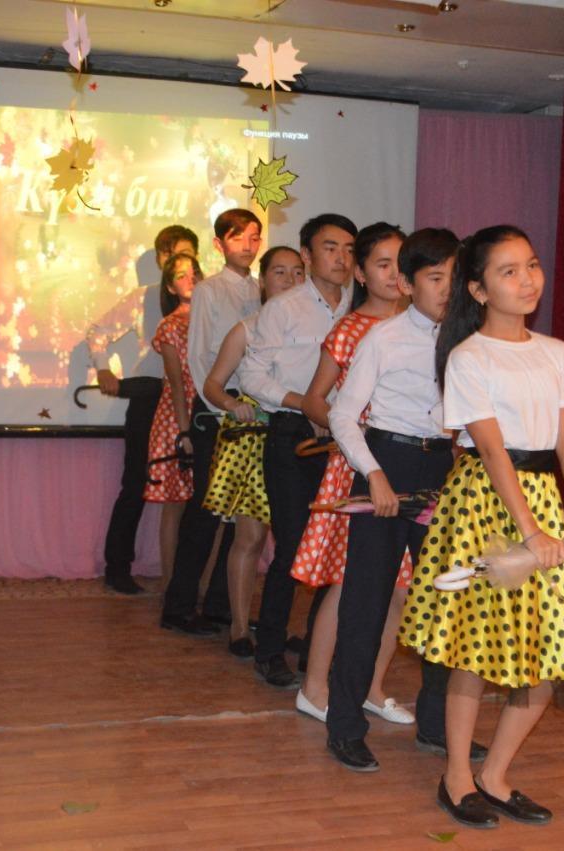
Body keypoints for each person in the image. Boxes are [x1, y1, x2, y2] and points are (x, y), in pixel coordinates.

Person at [400, 225, 564, 830]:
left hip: (543, 501)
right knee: (476, 650)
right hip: (489, 505)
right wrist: (531, 532)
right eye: (509, 271)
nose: (527, 279)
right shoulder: (469, 356)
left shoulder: (556, 351)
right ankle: (457, 776)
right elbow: (491, 451)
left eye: (532, 265)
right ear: (479, 289)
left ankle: (495, 775)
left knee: (551, 649)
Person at [320, 228, 472, 775]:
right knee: (366, 603)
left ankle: (435, 726)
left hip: (443, 470)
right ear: (407, 284)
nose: (446, 289)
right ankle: (344, 728)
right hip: (387, 464)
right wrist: (375, 475)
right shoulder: (382, 338)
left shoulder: (469, 340)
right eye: (434, 278)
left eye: (454, 277)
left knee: (444, 602)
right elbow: (342, 416)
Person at [291, 222, 414, 724]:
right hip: (358, 467)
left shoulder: (422, 326)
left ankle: (372, 687)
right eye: (382, 264)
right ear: (361, 273)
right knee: (349, 582)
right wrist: (353, 430)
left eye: (401, 263)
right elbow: (315, 400)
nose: (394, 274)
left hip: (408, 469)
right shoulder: (350, 329)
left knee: (400, 588)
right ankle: (314, 688)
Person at [239, 213, 357, 689]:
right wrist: (301, 403)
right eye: (330, 247)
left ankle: (315, 648)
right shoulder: (284, 308)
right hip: (291, 434)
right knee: (292, 545)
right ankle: (269, 650)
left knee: (336, 548)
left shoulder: (361, 308)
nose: (341, 258)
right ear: (307, 256)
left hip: (344, 439)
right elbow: (250, 376)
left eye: (349, 249)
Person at [161, 210, 263, 636]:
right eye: (238, 238)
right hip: (217, 410)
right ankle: (178, 606)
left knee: (243, 516)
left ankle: (222, 605)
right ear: (219, 244)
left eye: (254, 237)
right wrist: (222, 406)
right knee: (205, 513)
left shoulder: (262, 289)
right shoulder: (208, 290)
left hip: (253, 412)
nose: (248, 246)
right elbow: (199, 355)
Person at [200, 246, 306, 656]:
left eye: (297, 272)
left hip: (300, 440)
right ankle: (240, 628)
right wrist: (232, 404)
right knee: (251, 536)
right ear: (263, 280)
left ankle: (279, 627)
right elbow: (212, 384)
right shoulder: (247, 328)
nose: (289, 280)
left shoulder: (315, 329)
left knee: (295, 540)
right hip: (253, 438)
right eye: (280, 272)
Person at [90, 225, 199, 594]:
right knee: (136, 479)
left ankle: (187, 576)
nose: (181, 264)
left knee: (194, 487)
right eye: (172, 255)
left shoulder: (206, 299)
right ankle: (117, 567)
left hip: (193, 398)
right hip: (150, 395)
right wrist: (103, 368)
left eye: (189, 256)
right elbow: (97, 332)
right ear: (160, 259)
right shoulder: (142, 297)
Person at [142, 254, 202, 558]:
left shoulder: (214, 320)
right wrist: (184, 430)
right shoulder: (169, 325)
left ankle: (202, 580)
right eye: (180, 275)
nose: (190, 279)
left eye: (194, 272)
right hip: (177, 420)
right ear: (169, 287)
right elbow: (176, 383)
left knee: (209, 506)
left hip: (208, 412)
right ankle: (169, 580)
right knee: (175, 505)